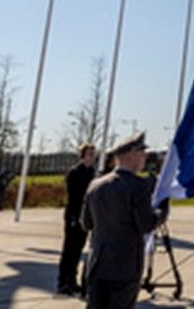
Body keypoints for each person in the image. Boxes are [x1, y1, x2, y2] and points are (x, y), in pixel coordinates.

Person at [80, 132, 155, 309]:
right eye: (142, 153)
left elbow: (87, 223)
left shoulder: (95, 185)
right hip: (125, 267)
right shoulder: (138, 186)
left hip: (98, 264)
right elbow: (146, 224)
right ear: (131, 156)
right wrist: (161, 212)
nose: (145, 157)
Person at [58, 143, 98, 295]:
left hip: (87, 217)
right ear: (82, 156)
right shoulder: (74, 173)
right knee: (70, 249)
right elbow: (73, 197)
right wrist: (74, 217)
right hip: (74, 215)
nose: (91, 158)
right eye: (89, 154)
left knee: (79, 250)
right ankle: (63, 281)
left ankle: (73, 281)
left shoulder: (93, 174)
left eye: (93, 155)